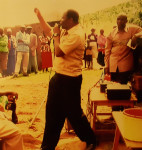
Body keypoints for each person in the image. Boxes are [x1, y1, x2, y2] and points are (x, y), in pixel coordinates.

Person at [34, 8, 97, 150]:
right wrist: (40, 16)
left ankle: (90, 139)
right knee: (52, 113)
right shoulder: (66, 30)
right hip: (58, 78)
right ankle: (47, 146)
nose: (60, 21)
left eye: (62, 18)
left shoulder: (77, 34)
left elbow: (59, 52)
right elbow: (49, 30)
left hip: (70, 80)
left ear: (71, 20)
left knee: (74, 113)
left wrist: (56, 35)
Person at [105, 13, 142, 111]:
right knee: (113, 89)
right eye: (118, 19)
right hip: (113, 64)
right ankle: (115, 112)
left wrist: (136, 36)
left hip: (125, 64)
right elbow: (107, 50)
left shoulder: (132, 29)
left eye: (122, 19)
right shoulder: (112, 33)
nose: (120, 21)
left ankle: (123, 112)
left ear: (126, 21)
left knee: (123, 89)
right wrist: (106, 65)